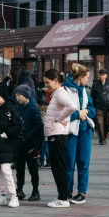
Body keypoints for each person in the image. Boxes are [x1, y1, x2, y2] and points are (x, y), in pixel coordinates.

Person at [43, 68, 78, 208]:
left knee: (59, 167)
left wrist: (60, 118)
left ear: (56, 80)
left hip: (57, 135)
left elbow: (72, 106)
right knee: (58, 166)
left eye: (47, 82)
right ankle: (63, 195)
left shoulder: (59, 93)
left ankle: (63, 198)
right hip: (55, 134)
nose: (46, 86)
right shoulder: (56, 93)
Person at [62, 64, 96, 205]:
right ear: (80, 77)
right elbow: (61, 113)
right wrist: (77, 114)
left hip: (85, 130)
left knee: (83, 162)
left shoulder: (84, 91)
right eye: (87, 77)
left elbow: (92, 109)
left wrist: (86, 112)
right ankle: (67, 191)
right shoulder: (64, 90)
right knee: (69, 162)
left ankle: (82, 192)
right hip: (71, 131)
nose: (88, 81)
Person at [0, 81, 23, 208]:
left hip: (6, 145)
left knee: (6, 170)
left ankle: (14, 196)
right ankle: (1, 195)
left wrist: (6, 134)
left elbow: (18, 125)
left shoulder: (10, 109)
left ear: (3, 96)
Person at [14, 84, 43, 201]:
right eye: (16, 95)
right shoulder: (18, 107)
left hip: (31, 143)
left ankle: (35, 191)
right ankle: (19, 189)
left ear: (26, 95)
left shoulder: (33, 108)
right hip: (19, 142)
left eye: (19, 95)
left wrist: (28, 135)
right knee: (19, 168)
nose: (17, 98)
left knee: (32, 168)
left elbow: (39, 125)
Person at [90, 68, 109, 145]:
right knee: (99, 124)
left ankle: (104, 136)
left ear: (106, 76)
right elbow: (92, 97)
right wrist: (92, 106)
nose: (101, 76)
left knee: (108, 124)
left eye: (103, 75)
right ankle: (101, 139)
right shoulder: (95, 85)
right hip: (99, 107)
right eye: (100, 74)